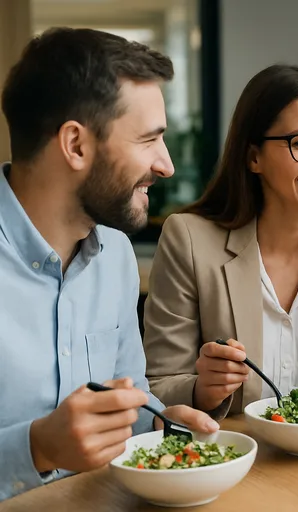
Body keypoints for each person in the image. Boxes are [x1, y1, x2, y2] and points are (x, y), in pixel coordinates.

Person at [0, 28, 218, 502]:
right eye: (149, 139)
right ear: (75, 145)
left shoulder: (116, 254)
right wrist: (35, 448)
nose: (167, 166)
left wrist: (157, 420)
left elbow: (129, 394)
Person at [141, 64, 298, 418]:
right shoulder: (188, 239)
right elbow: (158, 387)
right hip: (233, 456)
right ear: (253, 156)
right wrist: (202, 389)